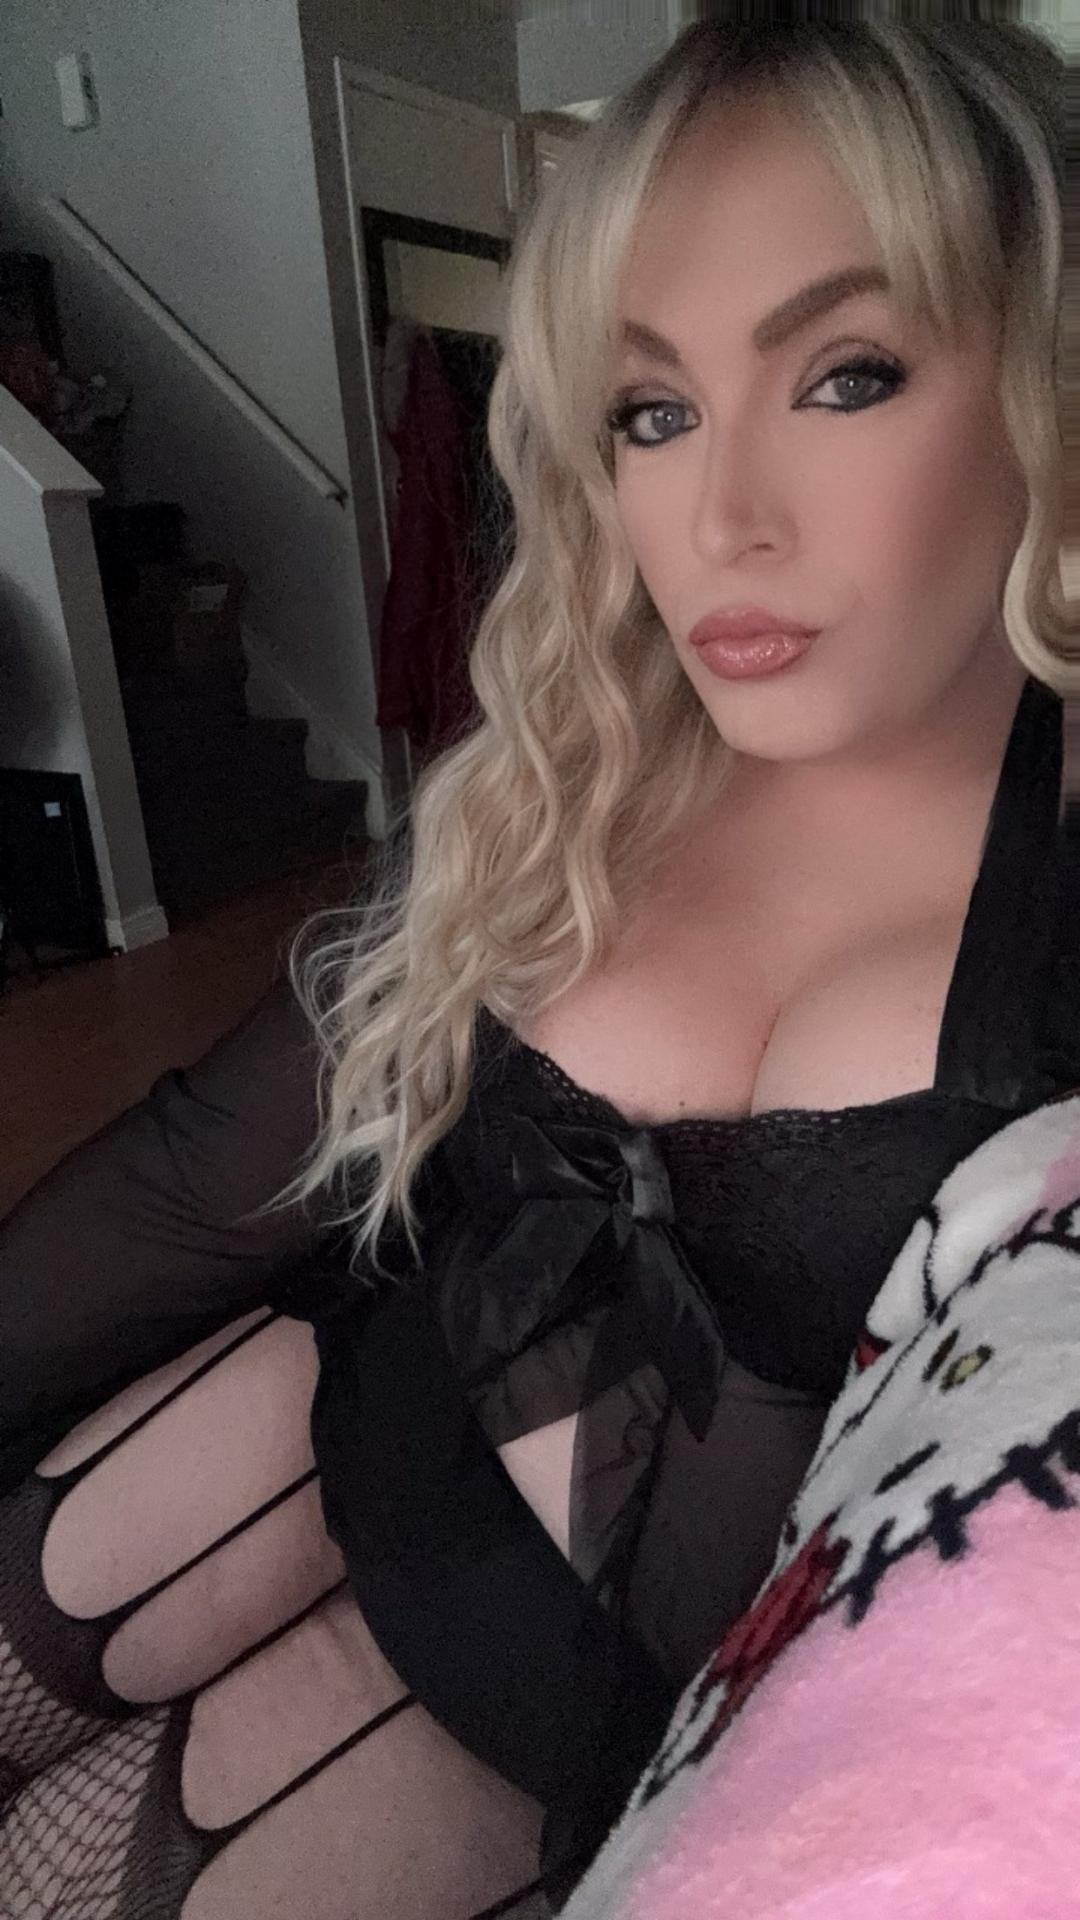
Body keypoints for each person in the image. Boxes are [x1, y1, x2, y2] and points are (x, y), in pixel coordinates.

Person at [1, 16, 1077, 1918]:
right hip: (351, 1408)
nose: (722, 521)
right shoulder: (574, 776)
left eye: (846, 376)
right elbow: (193, 1177)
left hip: (586, 1732)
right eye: (652, 412)